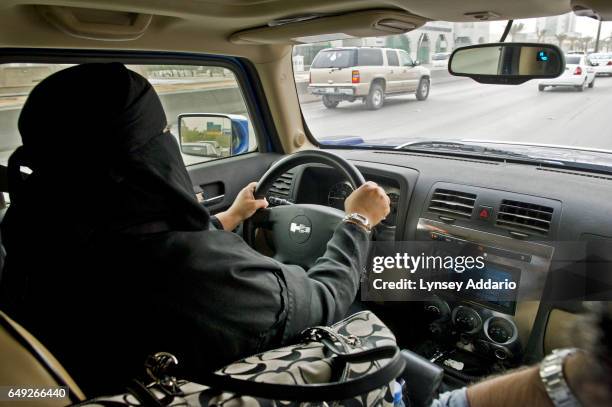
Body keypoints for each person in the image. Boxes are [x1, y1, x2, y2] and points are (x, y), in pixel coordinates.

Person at [0, 63, 390, 395]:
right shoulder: (198, 275)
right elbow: (325, 299)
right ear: (145, 155)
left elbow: (140, 237)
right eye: (164, 132)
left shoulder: (37, 230)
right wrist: (358, 221)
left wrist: (230, 217)